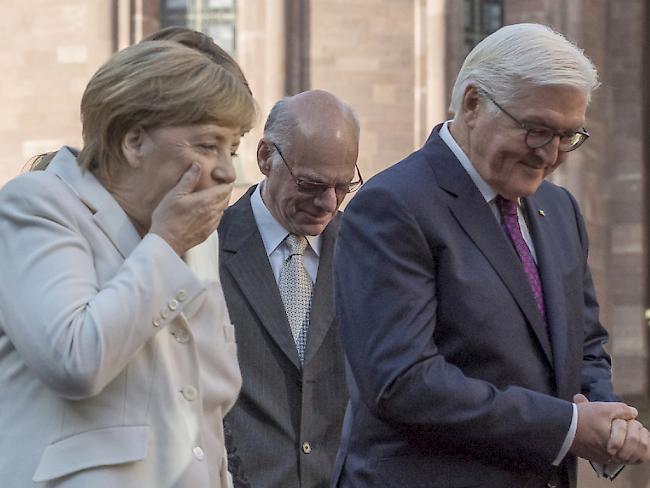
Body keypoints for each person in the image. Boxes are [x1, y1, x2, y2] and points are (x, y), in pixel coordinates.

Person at [332, 23, 649, 488]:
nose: (550, 155)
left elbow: (583, 348)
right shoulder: (393, 206)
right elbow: (404, 383)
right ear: (473, 104)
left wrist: (611, 425)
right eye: (537, 130)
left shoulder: (560, 210)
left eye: (569, 136)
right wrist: (570, 428)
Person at [0, 39, 255, 487]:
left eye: (230, 149)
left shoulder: (192, 236)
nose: (226, 172)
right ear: (134, 141)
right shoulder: (38, 205)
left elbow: (210, 401)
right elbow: (74, 360)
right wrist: (167, 242)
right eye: (208, 144)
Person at [218, 89, 361, 488]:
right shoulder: (204, 249)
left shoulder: (368, 253)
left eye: (343, 187)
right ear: (265, 157)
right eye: (311, 184)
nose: (328, 203)